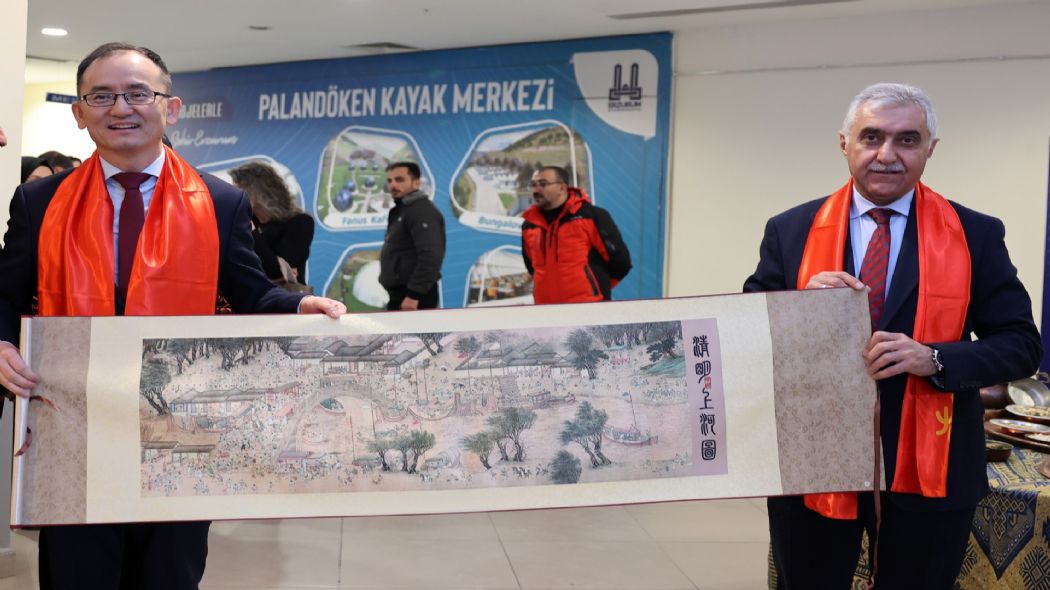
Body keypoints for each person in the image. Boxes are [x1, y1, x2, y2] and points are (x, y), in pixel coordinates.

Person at [0, 42, 346, 590]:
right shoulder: (40, 200)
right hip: (73, 425)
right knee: (75, 573)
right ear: (80, 113)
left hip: (182, 424)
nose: (121, 108)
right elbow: (6, 294)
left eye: (138, 93)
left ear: (171, 107)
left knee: (168, 573)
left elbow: (251, 293)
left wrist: (299, 304)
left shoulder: (220, 201)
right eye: (101, 96)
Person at [744, 82, 1041, 589]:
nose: (886, 154)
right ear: (845, 143)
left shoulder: (975, 233)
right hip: (814, 458)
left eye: (907, 140)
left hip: (933, 466)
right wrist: (799, 304)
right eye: (872, 137)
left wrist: (935, 358)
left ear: (930, 148)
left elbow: (1021, 346)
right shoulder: (791, 230)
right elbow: (749, 334)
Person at [520, 166, 631, 303]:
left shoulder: (591, 216)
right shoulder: (529, 225)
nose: (536, 190)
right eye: (533, 185)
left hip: (588, 307)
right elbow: (532, 267)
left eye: (543, 184)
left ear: (562, 188)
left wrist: (596, 289)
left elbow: (621, 262)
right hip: (545, 308)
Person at [229, 161, 315, 283]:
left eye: (240, 190)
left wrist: (251, 230)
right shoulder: (245, 223)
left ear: (258, 192)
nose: (235, 196)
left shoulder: (300, 222)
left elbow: (277, 271)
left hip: (282, 294)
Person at [378, 161, 445, 310]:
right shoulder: (402, 210)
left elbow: (430, 255)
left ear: (416, 183)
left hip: (414, 298)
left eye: (399, 179)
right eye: (390, 180)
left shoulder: (421, 211)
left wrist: (414, 295)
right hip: (401, 295)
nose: (393, 185)